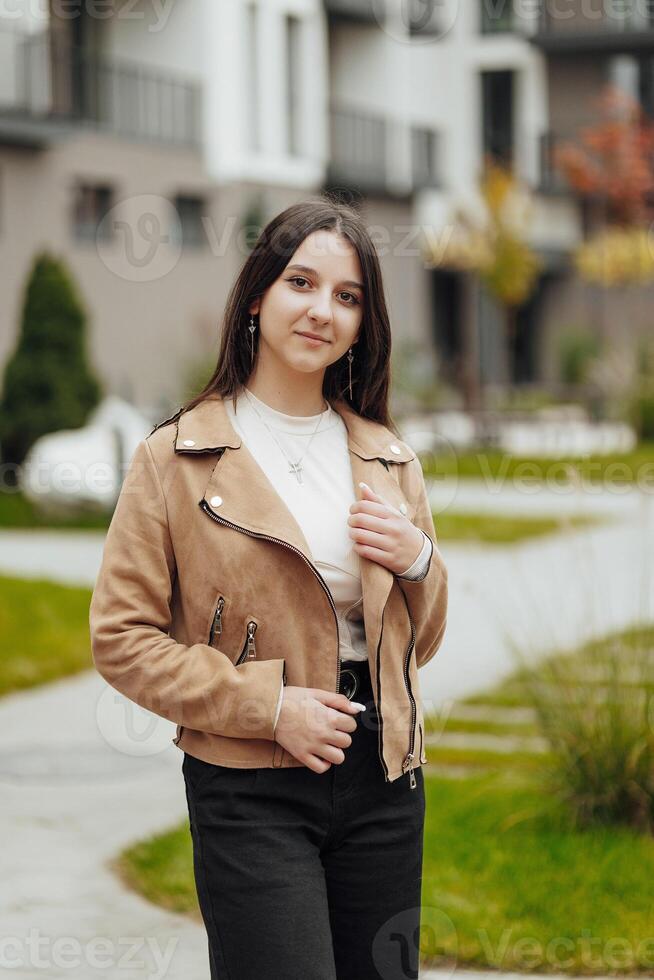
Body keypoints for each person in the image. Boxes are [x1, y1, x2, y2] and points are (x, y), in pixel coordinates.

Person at [89, 195, 448, 979]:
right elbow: (121, 639)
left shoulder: (389, 460)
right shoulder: (175, 458)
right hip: (250, 785)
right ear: (257, 295)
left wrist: (420, 561)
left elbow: (422, 640)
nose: (322, 311)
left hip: (384, 780)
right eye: (301, 283)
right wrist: (269, 708)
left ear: (363, 322)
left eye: (347, 297)